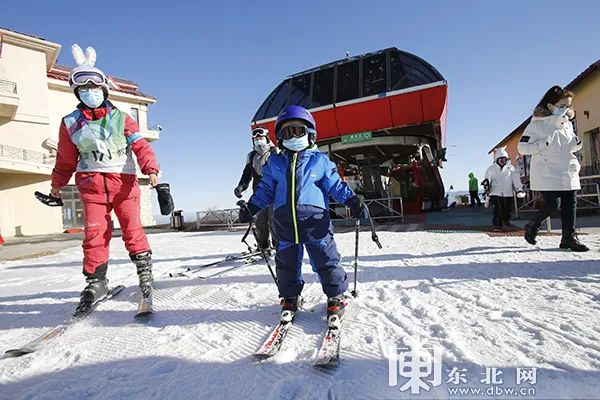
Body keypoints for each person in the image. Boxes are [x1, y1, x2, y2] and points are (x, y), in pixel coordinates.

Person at [51, 44, 161, 313]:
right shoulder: (70, 123)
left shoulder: (122, 118)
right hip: (91, 186)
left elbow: (141, 146)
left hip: (123, 185)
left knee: (132, 230)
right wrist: (57, 185)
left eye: (95, 87)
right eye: (84, 88)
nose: (90, 92)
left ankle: (144, 275)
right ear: (77, 92)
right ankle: (96, 281)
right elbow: (65, 159)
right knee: (95, 235)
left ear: (104, 90)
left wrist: (152, 170)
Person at [238, 105, 367, 329]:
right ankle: (290, 297)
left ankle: (335, 296)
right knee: (286, 263)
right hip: (284, 223)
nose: (293, 137)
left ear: (311, 134)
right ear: (279, 138)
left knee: (326, 260)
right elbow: (265, 190)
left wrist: (351, 200)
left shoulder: (320, 162)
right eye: (287, 133)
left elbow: (336, 186)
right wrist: (251, 208)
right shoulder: (275, 164)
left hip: (315, 222)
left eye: (298, 131)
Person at [517, 85, 589, 251]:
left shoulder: (567, 124)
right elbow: (522, 148)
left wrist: (575, 145)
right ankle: (533, 225)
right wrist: (542, 145)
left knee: (571, 204)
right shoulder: (537, 124)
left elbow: (566, 145)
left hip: (567, 169)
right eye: (561, 106)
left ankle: (568, 238)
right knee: (553, 205)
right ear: (550, 106)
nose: (565, 110)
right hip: (548, 171)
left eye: (568, 106)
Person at [234, 127, 278, 251]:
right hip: (258, 194)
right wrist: (241, 187)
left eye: (261, 138)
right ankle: (263, 246)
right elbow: (247, 174)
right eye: (256, 139)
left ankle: (278, 246)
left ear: (267, 138)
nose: (259, 141)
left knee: (274, 221)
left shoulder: (275, 152)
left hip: (274, 194)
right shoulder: (252, 155)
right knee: (260, 222)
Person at [483, 148, 524, 230]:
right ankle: (498, 225)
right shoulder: (491, 169)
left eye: (504, 159)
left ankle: (506, 220)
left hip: (507, 192)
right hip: (495, 192)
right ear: (497, 159)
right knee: (497, 209)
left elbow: (516, 179)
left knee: (507, 209)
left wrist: (519, 189)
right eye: (500, 159)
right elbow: (487, 180)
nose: (502, 160)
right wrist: (487, 189)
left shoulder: (511, 168)